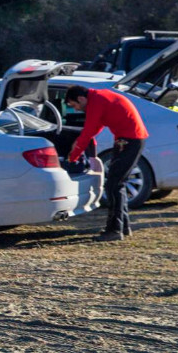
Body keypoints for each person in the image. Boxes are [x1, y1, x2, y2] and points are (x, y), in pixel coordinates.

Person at [65, 84, 148, 241]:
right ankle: (123, 227)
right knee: (117, 185)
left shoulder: (96, 101)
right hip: (127, 139)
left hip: (129, 140)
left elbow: (89, 129)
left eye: (75, 105)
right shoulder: (99, 97)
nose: (76, 109)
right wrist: (82, 142)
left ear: (81, 98)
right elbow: (96, 126)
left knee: (114, 186)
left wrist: (73, 157)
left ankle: (114, 230)